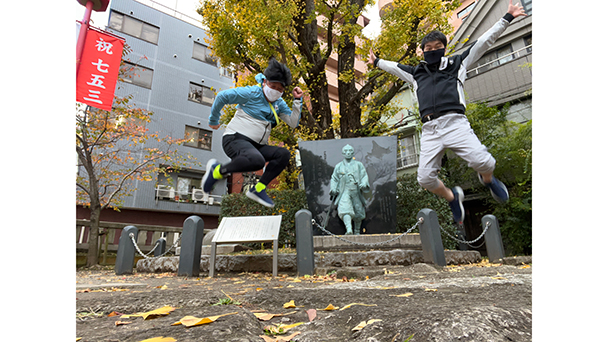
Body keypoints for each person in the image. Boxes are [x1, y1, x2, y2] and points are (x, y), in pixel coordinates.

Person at [368, 0, 526, 224]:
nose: (432, 51)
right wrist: (376, 62)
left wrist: (506, 18)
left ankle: (488, 180)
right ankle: (452, 197)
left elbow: (483, 42)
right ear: (422, 51)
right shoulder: (416, 73)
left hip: (455, 123)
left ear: (444, 48)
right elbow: (395, 67)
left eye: (437, 48)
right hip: (430, 129)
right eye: (428, 49)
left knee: (487, 163)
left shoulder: (457, 64)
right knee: (424, 179)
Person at [201, 57, 304, 208]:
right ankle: (217, 171)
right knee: (258, 160)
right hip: (235, 138)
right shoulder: (251, 93)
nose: (275, 91)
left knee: (283, 154)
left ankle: (259, 189)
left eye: (280, 89)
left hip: (257, 145)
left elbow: (293, 122)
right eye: (272, 86)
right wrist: (214, 120)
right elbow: (222, 96)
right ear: (264, 82)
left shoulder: (278, 104)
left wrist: (297, 101)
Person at [330, 145, 370, 235]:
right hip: (345, 191)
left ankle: (357, 231)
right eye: (346, 151)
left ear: (353, 153)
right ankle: (349, 229)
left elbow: (364, 176)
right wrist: (333, 188)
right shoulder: (339, 166)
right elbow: (334, 178)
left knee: (358, 211)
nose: (348, 153)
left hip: (356, 191)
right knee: (345, 208)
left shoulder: (359, 165)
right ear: (343, 153)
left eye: (350, 151)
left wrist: (364, 183)